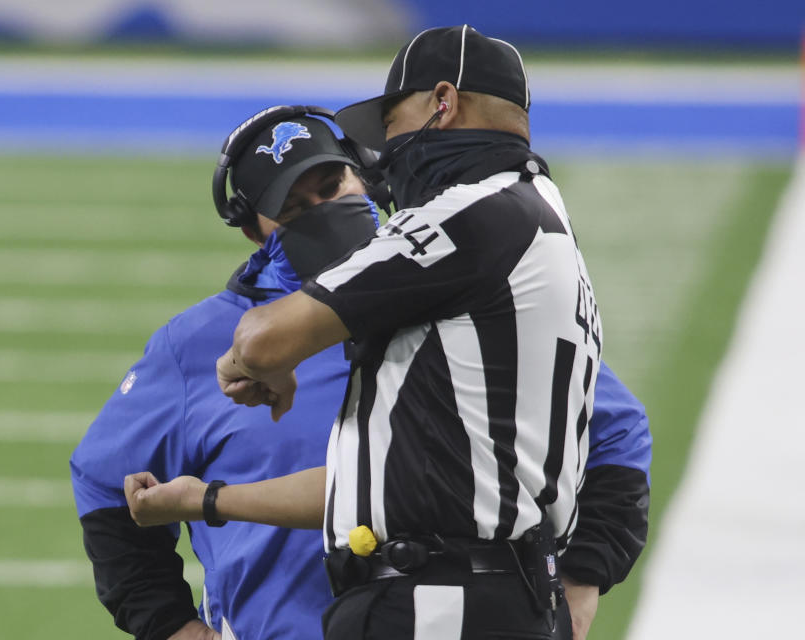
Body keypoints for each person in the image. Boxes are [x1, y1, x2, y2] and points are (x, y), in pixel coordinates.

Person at [125, 25, 650, 640]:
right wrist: (205, 501)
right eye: (293, 207)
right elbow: (377, 481)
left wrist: (272, 356)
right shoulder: (535, 221)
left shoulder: (475, 215)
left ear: (442, 103)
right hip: (489, 594)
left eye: (393, 124)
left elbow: (258, 342)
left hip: (438, 602)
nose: (389, 154)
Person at [71, 106, 384, 640]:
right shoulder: (196, 344)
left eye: (332, 186)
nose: (323, 212)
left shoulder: (451, 287)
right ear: (252, 229)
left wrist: (577, 586)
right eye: (293, 208)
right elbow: (107, 488)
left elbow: (576, 439)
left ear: (364, 174)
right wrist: (175, 627)